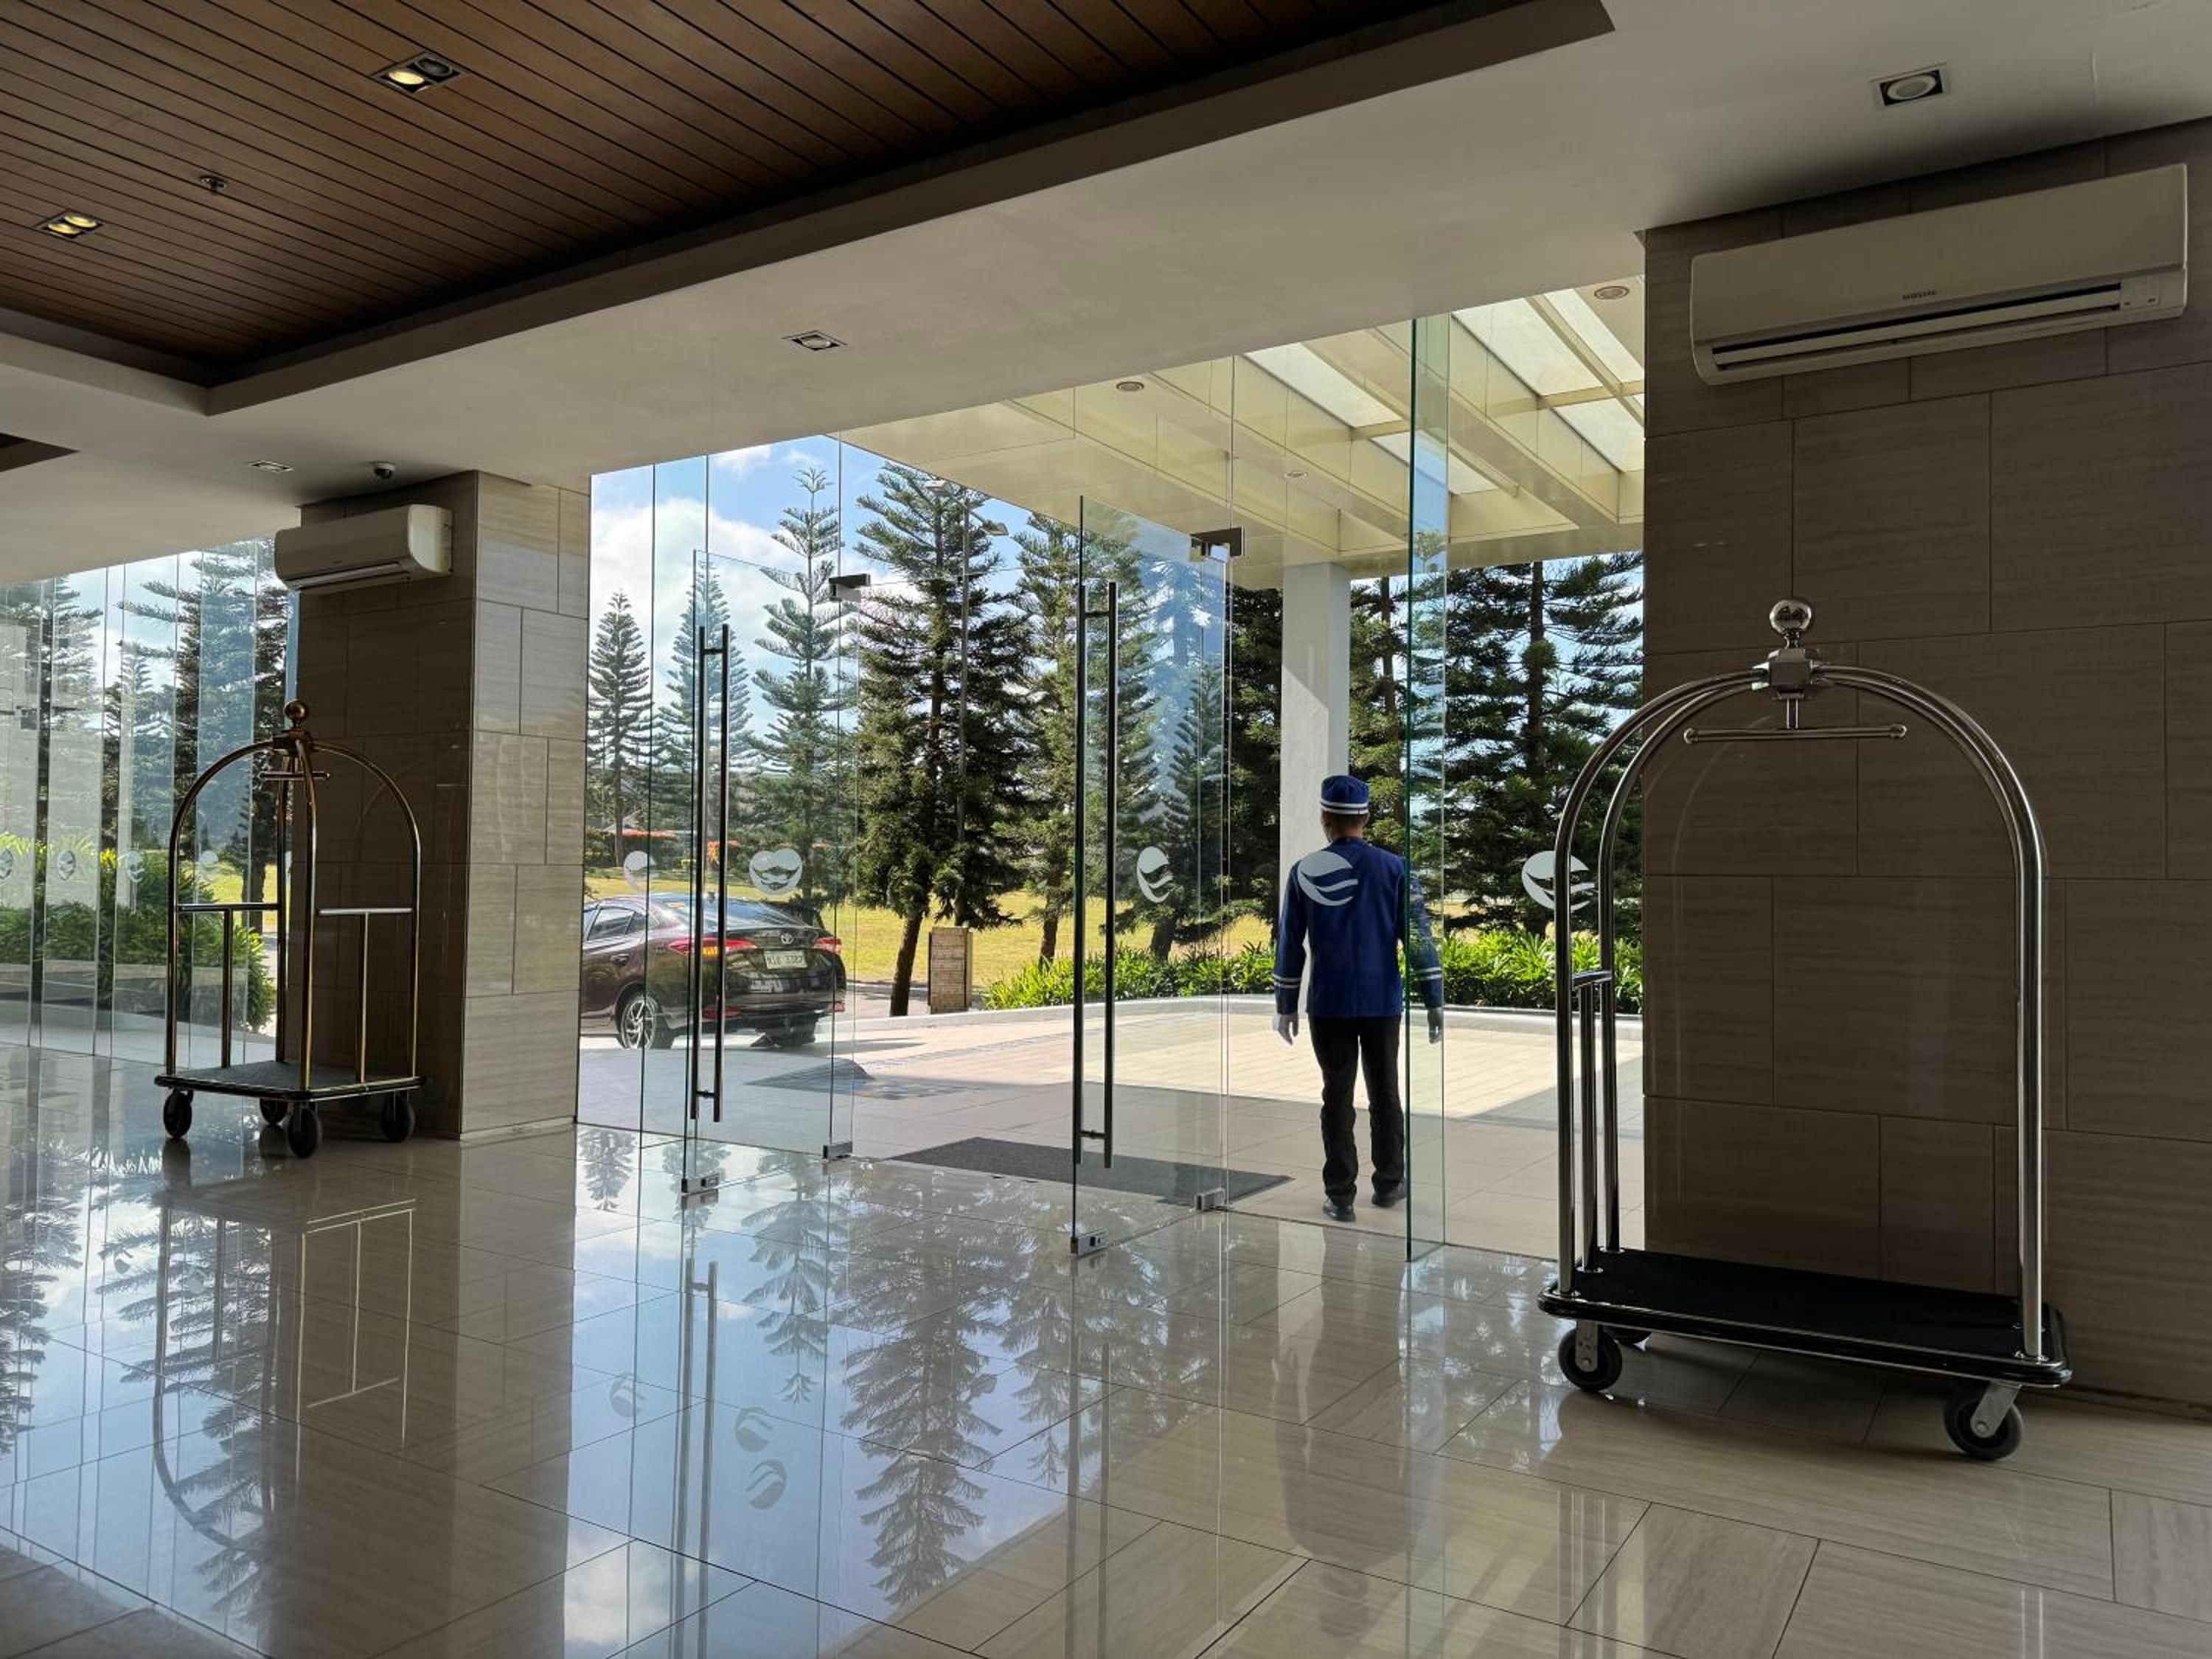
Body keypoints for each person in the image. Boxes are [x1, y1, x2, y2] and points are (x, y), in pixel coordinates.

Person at [1272, 773, 1443, 1222]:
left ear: (1325, 818)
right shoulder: (1396, 868)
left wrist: (1285, 1003)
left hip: (1329, 1003)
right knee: (1385, 1091)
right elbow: (1419, 938)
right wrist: (1434, 997)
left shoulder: (1304, 871)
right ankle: (1389, 1184)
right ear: (1365, 818)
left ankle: (1340, 1196)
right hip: (1381, 1002)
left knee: (1337, 1096)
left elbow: (1290, 942)